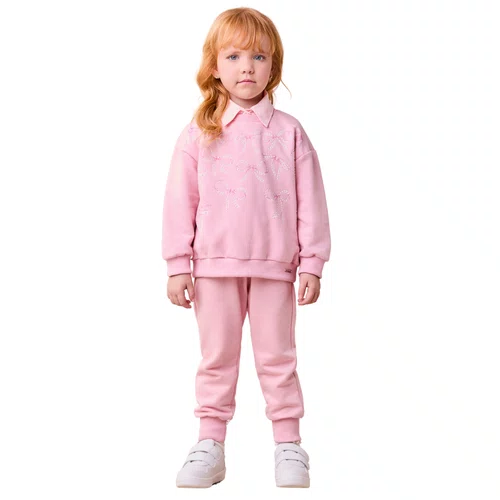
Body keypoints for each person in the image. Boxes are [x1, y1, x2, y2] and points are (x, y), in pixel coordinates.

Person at [161, 7, 331, 488]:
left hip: (276, 268)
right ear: (215, 65)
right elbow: (179, 200)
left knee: (278, 358)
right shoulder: (200, 131)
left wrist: (312, 263)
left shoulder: (290, 132)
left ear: (273, 65)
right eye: (234, 56)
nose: (247, 68)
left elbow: (311, 201)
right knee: (216, 358)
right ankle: (210, 443)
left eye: (259, 57)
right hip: (213, 268)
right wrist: (177, 263)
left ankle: (289, 444)